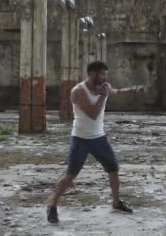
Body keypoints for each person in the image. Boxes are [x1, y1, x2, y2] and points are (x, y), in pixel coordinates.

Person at [46, 61, 144, 224]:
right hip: (81, 139)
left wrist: (133, 90)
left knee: (113, 169)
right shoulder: (78, 91)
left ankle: (116, 202)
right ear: (92, 74)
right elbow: (93, 113)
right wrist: (103, 96)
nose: (105, 77)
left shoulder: (103, 87)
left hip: (99, 137)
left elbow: (116, 91)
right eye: (102, 74)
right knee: (71, 175)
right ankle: (52, 205)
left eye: (105, 74)